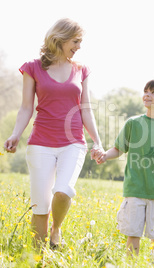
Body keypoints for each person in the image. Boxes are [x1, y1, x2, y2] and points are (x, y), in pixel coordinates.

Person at [3, 18, 103, 249]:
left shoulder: (81, 69)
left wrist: (97, 141)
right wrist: (16, 134)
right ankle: (38, 256)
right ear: (60, 38)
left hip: (73, 142)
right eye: (76, 41)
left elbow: (85, 109)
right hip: (40, 143)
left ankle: (56, 228)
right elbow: (26, 107)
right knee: (40, 206)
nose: (79, 46)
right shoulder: (32, 67)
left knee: (63, 190)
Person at [94, 80, 154, 257]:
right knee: (133, 234)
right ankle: (131, 263)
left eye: (153, 92)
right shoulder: (133, 123)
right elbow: (119, 149)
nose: (147, 95)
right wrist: (105, 155)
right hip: (135, 189)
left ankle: (153, 263)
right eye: (146, 91)